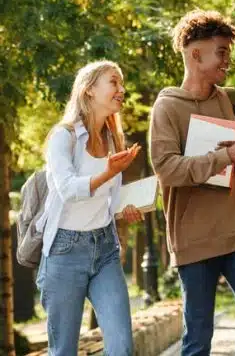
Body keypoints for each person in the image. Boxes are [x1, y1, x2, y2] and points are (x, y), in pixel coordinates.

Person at [149, 10, 235, 356]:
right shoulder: (167, 108)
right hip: (195, 238)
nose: (227, 60)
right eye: (221, 51)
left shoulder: (233, 100)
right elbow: (166, 169)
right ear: (195, 54)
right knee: (197, 339)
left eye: (228, 52)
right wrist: (226, 157)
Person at [36, 60, 144, 355]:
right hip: (64, 252)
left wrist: (127, 209)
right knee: (63, 351)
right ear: (89, 90)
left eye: (122, 84)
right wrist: (107, 173)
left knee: (122, 346)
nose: (121, 90)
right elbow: (68, 190)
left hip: (105, 246)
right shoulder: (63, 136)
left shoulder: (113, 138)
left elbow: (111, 198)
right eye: (114, 82)